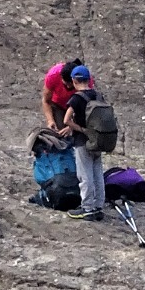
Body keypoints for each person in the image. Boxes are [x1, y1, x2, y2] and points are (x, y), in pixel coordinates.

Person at [58, 65, 106, 221]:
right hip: (98, 140)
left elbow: (66, 120)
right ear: (89, 79)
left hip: (82, 141)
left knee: (85, 175)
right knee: (98, 174)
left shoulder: (76, 98)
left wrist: (80, 129)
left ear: (74, 80)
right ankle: (98, 206)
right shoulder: (98, 96)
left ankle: (87, 208)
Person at [41, 59, 87, 131]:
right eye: (65, 85)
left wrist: (72, 127)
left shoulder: (84, 80)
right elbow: (46, 101)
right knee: (59, 131)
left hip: (78, 106)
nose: (68, 87)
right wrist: (50, 121)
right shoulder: (53, 75)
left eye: (71, 85)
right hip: (58, 104)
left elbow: (87, 106)